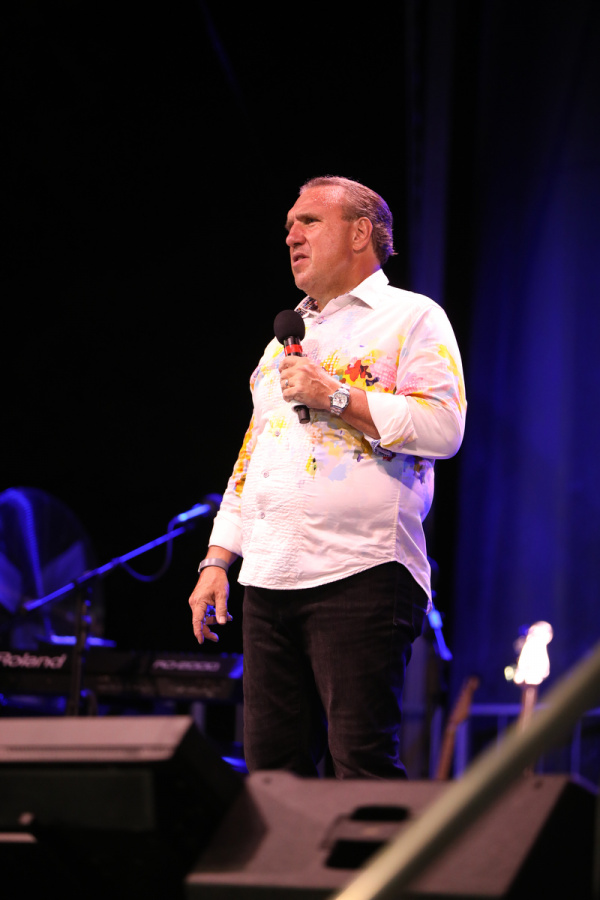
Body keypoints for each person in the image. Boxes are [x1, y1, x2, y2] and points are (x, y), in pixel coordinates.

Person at [189, 175, 466, 779]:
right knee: (272, 776)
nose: (291, 235)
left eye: (309, 221)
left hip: (360, 570)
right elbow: (253, 458)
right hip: (268, 578)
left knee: (360, 767)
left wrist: (335, 396)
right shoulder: (281, 345)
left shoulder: (412, 317)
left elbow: (444, 429)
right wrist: (216, 560)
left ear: (361, 232)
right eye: (289, 226)